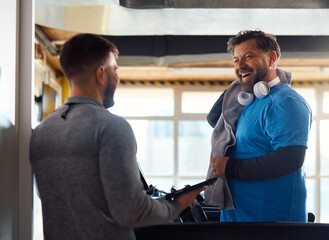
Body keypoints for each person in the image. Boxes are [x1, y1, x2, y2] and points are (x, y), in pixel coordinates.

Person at [29, 34, 203, 240]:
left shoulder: (42, 130)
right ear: (101, 73)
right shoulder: (111, 126)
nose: (117, 76)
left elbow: (56, 197)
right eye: (115, 69)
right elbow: (131, 212)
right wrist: (177, 204)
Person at [204, 30, 312, 222]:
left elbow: (290, 158)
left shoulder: (285, 101)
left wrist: (231, 168)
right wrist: (237, 84)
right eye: (236, 61)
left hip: (271, 223)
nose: (240, 65)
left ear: (271, 58)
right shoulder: (250, 102)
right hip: (241, 219)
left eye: (248, 57)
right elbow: (216, 119)